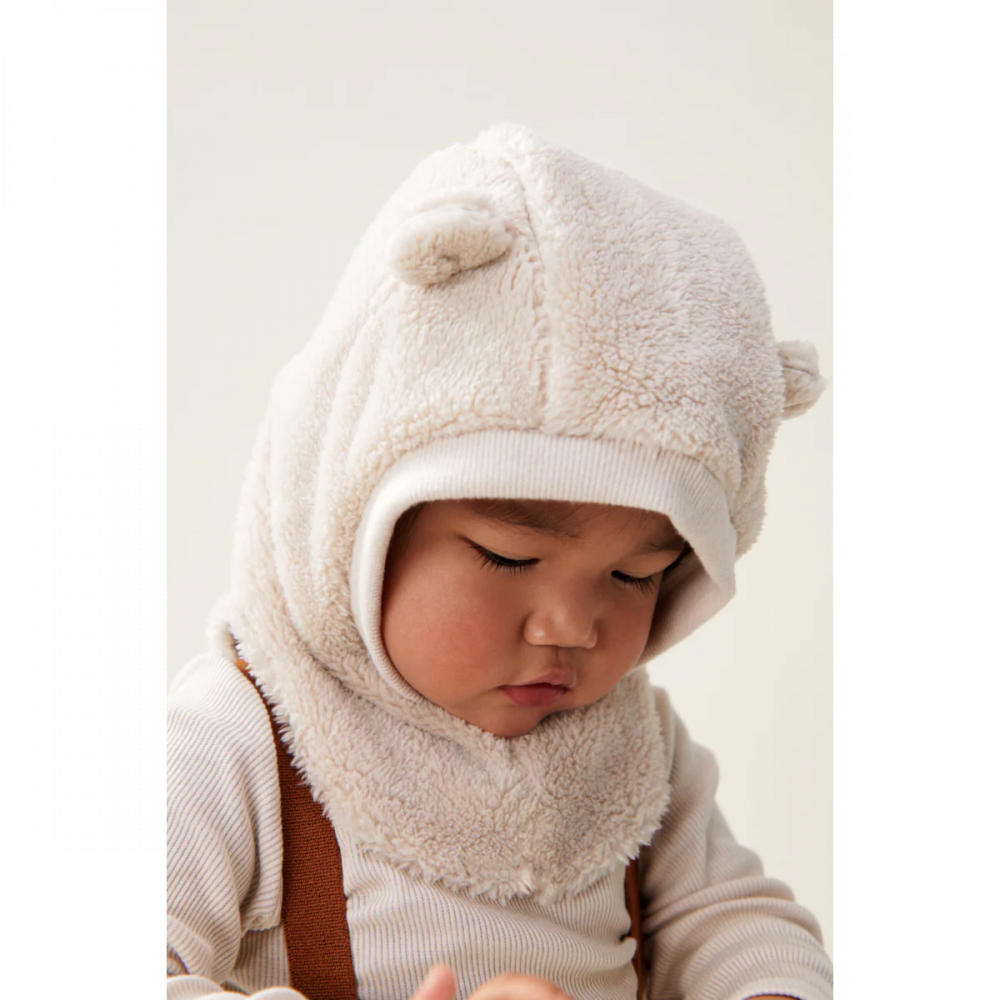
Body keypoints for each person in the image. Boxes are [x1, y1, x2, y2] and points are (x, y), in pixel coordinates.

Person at [166, 123, 833, 1000]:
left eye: (636, 575)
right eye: (509, 555)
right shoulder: (236, 738)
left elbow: (735, 922)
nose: (572, 625)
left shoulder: (638, 752)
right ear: (353, 525)